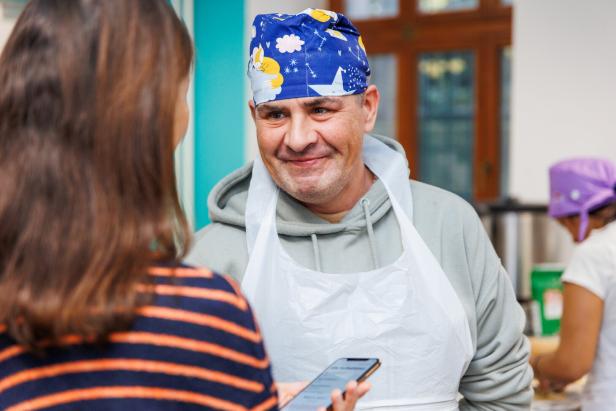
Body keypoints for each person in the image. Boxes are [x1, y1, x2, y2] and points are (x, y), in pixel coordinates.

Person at [0, 1, 367, 410]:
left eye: (320, 110)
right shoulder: (205, 316)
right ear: (154, 126)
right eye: (179, 92)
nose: (299, 138)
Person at [187, 8, 532, 410]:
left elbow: (501, 391)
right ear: (255, 117)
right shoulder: (211, 257)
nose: (298, 139)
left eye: (321, 110)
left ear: (367, 108)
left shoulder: (448, 225)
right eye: (276, 114)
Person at [530, 158, 616, 410]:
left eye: (565, 224)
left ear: (576, 215)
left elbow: (572, 364)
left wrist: (534, 364)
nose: (570, 235)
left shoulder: (596, 253)